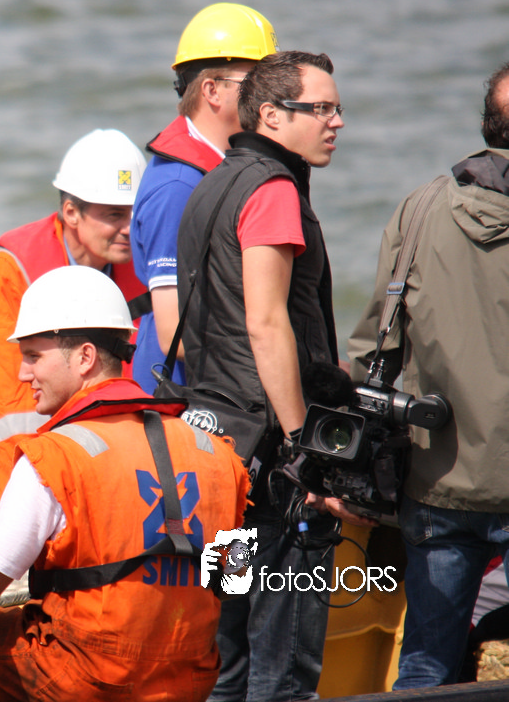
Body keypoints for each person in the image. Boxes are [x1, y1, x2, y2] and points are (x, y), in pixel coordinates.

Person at [0, 265, 250, 702]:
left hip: (84, 678)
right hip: (189, 676)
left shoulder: (55, 456)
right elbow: (234, 582)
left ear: (84, 357)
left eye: (33, 356)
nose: (22, 374)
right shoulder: (220, 456)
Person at [176, 51, 362, 702]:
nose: (336, 121)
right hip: (271, 467)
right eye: (321, 108)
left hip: (215, 450)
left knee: (228, 659)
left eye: (337, 107)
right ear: (272, 115)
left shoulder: (213, 181)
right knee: (283, 669)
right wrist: (305, 450)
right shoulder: (275, 190)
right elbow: (265, 322)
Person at [346, 61, 509, 689]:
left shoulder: (419, 210)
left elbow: (374, 346)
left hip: (437, 481)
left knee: (424, 664)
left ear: (487, 125)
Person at [0, 128, 148, 509]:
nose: (129, 228)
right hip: (19, 484)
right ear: (71, 213)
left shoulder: (141, 272)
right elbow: (11, 414)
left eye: (135, 212)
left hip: (114, 478)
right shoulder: (9, 274)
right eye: (114, 214)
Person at [130, 2, 277, 393]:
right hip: (180, 403)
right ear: (211, 90)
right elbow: (172, 333)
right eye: (257, 82)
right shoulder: (177, 187)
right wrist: (280, 353)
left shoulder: (218, 170)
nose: (273, 96)